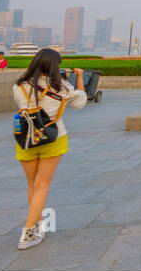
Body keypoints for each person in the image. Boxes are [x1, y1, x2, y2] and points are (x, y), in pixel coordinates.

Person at [13, 48, 88, 250]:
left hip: (26, 139)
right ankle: (28, 232)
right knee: (42, 185)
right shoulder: (61, 86)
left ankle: (37, 226)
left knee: (32, 185)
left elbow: (23, 106)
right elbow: (80, 101)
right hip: (53, 138)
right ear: (55, 65)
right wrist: (79, 77)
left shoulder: (20, 85)